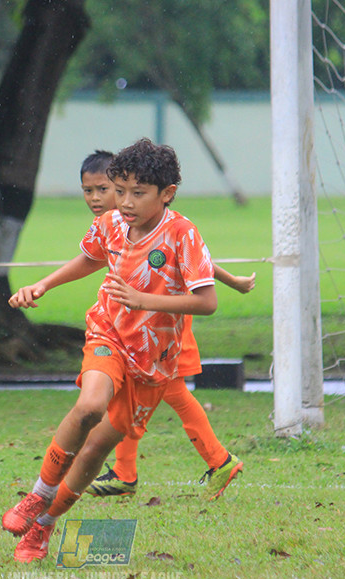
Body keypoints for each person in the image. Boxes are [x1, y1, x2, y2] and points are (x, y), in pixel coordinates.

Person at [2, 138, 219, 562]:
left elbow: (206, 302)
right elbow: (89, 258)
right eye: (119, 190)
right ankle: (36, 496)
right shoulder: (111, 223)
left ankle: (43, 527)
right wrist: (43, 284)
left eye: (138, 193)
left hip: (153, 361)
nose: (125, 202)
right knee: (89, 407)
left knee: (95, 450)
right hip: (109, 334)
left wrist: (145, 301)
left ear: (166, 193)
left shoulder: (182, 234)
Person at [78, 150, 253, 499]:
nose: (98, 198)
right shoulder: (117, 225)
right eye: (89, 190)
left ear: (162, 193)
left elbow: (192, 259)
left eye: (103, 189)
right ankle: (128, 472)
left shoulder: (171, 226)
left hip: (162, 328)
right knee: (143, 390)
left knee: (162, 391)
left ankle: (216, 461)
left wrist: (229, 281)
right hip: (134, 325)